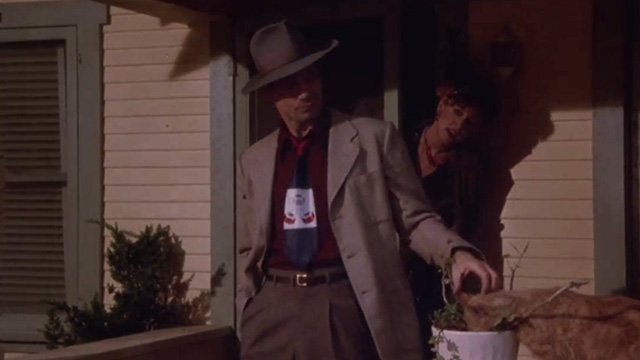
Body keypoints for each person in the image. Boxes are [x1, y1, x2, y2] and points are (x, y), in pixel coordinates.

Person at [236, 20, 500, 360]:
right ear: (270, 92)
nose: (305, 90)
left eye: (310, 77)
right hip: (272, 305)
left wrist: (456, 254)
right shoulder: (253, 161)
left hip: (341, 302)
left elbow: (414, 219)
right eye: (291, 83)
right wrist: (249, 307)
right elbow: (248, 247)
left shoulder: (373, 138)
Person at [406, 78, 499, 357]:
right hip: (391, 263)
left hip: (432, 271)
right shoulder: (400, 144)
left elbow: (467, 224)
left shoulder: (467, 167)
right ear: (442, 104)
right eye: (457, 114)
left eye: (469, 123)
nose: (459, 127)